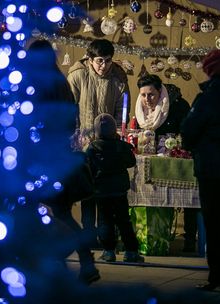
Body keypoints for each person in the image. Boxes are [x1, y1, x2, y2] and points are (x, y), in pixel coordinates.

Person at [24, 39, 100, 285]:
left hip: (39, 159)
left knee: (34, 210)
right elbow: (69, 122)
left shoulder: (36, 85)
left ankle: (53, 262)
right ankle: (83, 261)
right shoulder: (61, 83)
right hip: (58, 156)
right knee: (62, 213)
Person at [180, 49, 220, 293]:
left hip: (212, 168)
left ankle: (218, 276)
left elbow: (189, 129)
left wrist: (190, 145)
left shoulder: (209, 98)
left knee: (215, 225)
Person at [67, 39, 130, 248]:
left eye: (108, 61)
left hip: (108, 144)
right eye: (99, 61)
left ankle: (108, 239)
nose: (104, 66)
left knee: (106, 195)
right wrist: (76, 134)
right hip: (84, 143)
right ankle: (88, 236)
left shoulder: (118, 78)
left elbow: (122, 110)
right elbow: (70, 107)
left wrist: (117, 134)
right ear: (90, 59)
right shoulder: (78, 76)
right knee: (87, 194)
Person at [134, 74, 198, 254]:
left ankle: (190, 239)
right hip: (151, 159)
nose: (147, 99)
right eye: (144, 95)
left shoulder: (177, 106)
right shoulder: (140, 108)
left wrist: (177, 147)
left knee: (188, 196)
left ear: (160, 91)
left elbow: (187, 132)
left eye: (151, 95)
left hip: (176, 160)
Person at [85, 113, 144, 263]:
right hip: (119, 191)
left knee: (105, 221)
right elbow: (131, 162)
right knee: (124, 220)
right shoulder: (121, 146)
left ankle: (108, 251)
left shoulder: (92, 148)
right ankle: (131, 251)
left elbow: (87, 167)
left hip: (101, 191)